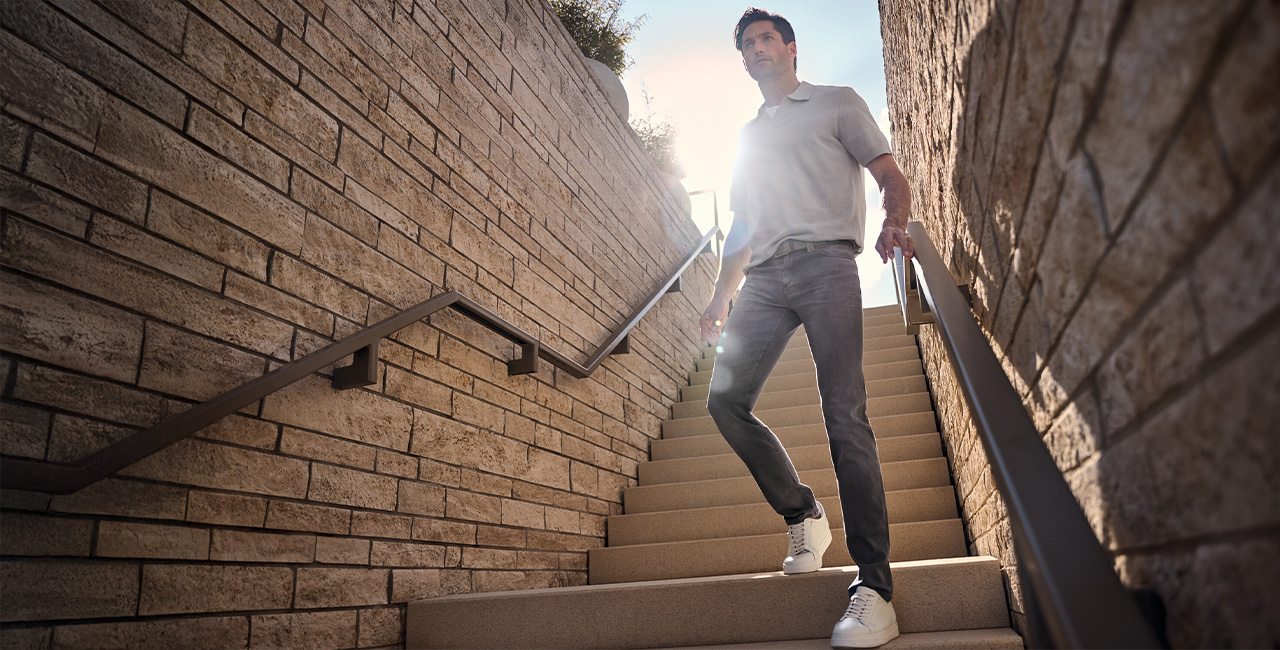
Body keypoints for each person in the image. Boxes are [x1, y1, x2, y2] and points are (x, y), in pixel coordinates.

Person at [700, 7, 915, 649]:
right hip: (763, 280)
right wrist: (718, 300)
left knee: (843, 414)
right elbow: (740, 230)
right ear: (744, 62)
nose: (759, 49)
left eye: (768, 38)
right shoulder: (746, 137)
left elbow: (888, 175)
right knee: (724, 401)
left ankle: (874, 587)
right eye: (749, 44)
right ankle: (802, 513)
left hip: (827, 264)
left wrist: (893, 220)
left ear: (791, 49)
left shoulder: (837, 103)